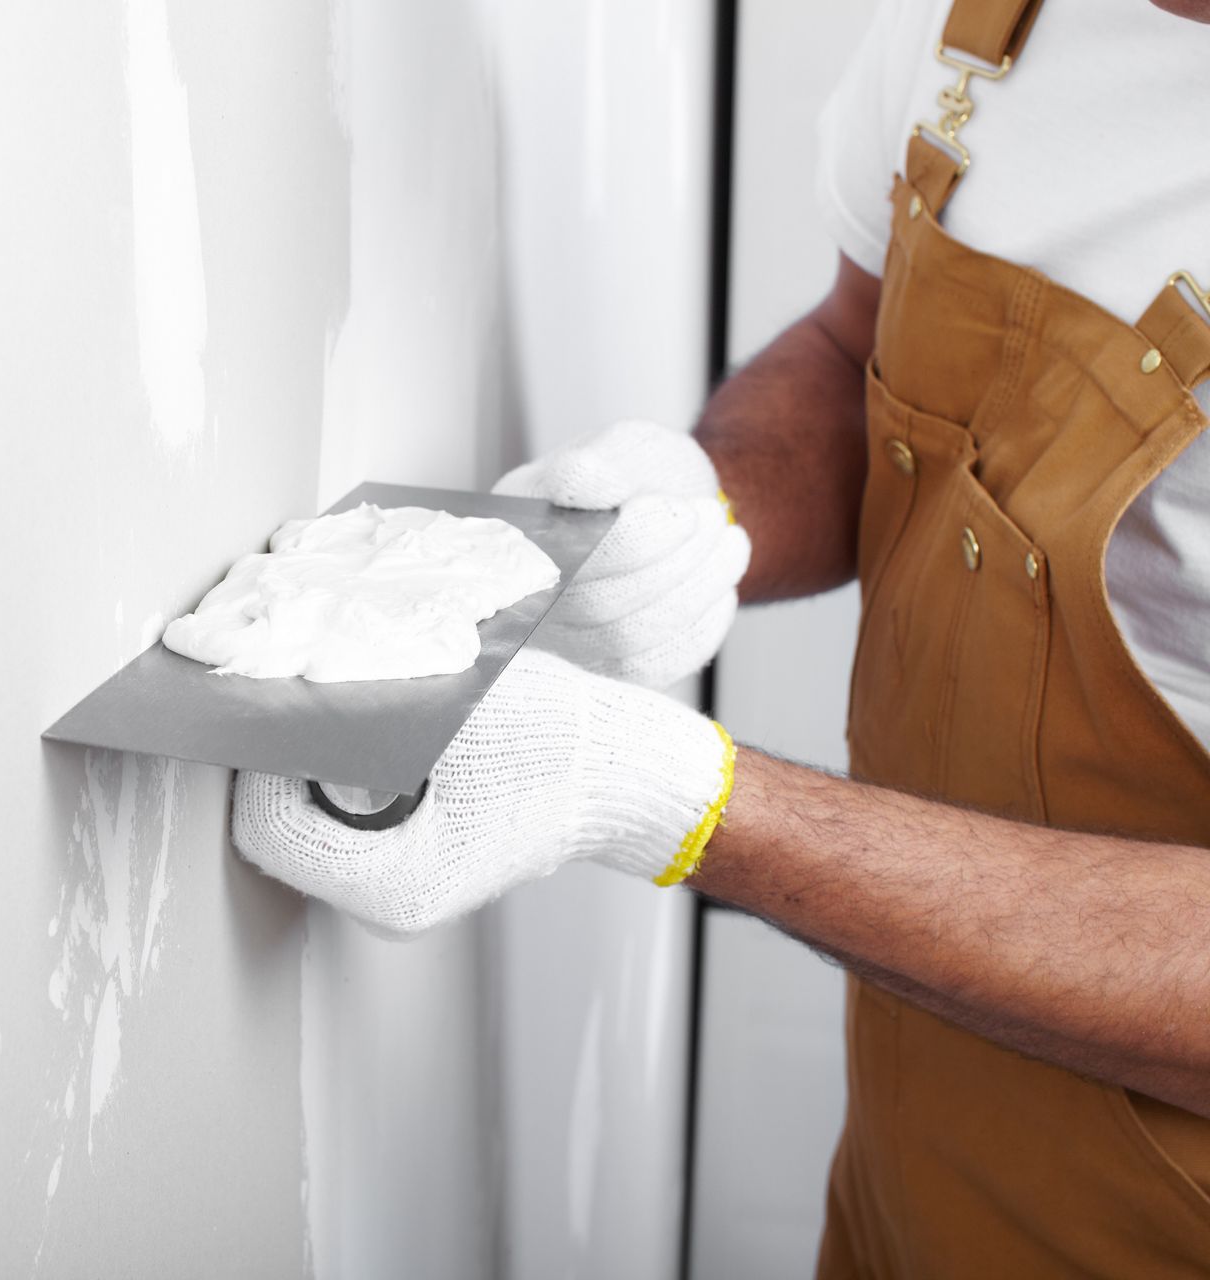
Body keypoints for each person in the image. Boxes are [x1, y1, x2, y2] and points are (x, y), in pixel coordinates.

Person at [231, 0, 1210, 1273]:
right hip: (907, 1176)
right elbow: (858, 353)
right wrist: (704, 505)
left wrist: (660, 793)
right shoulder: (986, 27)